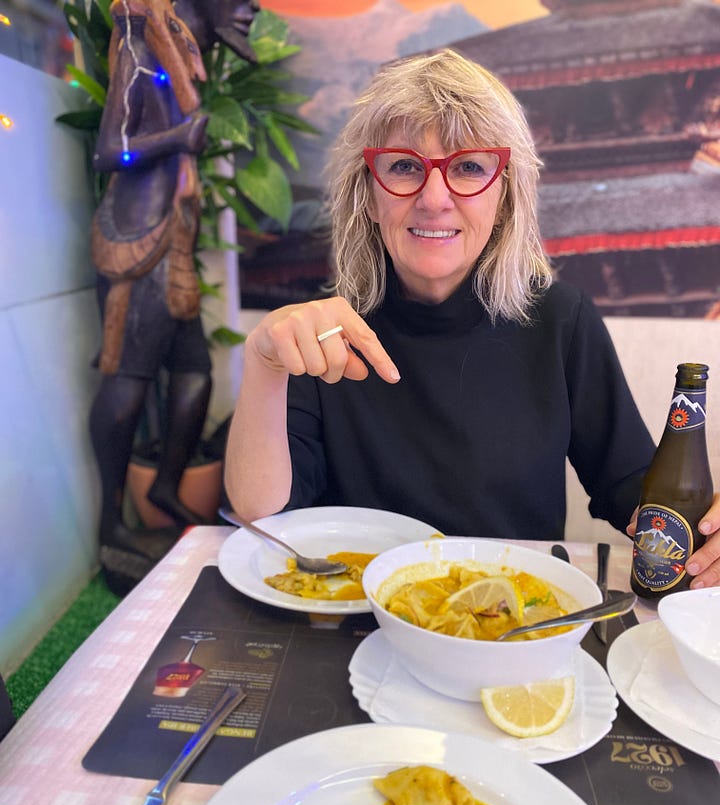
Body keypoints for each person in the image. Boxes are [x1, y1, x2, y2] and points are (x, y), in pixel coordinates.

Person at [224, 48, 720, 589]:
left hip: (510, 625)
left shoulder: (560, 320)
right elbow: (262, 513)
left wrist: (705, 529)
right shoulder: (321, 336)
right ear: (368, 195)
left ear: (503, 195)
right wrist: (263, 364)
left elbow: (628, 483)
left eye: (468, 167)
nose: (434, 198)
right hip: (357, 618)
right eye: (405, 167)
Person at [88, 0, 258, 594]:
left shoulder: (175, 56)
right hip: (138, 245)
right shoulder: (139, 49)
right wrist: (179, 135)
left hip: (172, 243)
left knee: (194, 374)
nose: (252, 7)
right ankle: (110, 526)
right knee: (128, 380)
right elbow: (111, 149)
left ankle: (165, 485)